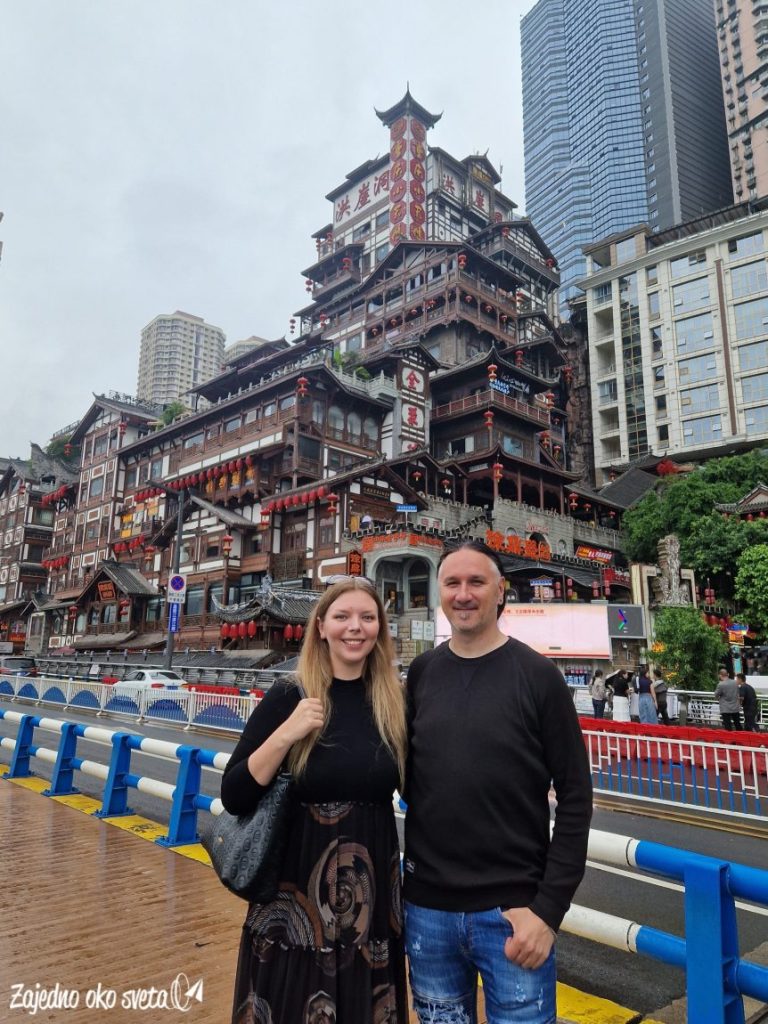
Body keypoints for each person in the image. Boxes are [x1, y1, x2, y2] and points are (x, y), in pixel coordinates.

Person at [403, 540, 593, 1024]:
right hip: (428, 912)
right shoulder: (422, 673)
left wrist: (547, 912)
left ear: (501, 592)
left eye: (477, 582)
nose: (463, 594)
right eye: (452, 583)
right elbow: (409, 777)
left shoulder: (538, 676)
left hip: (514, 916)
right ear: (440, 591)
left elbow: (575, 795)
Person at [220, 578, 408, 1024]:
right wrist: (286, 734)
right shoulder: (291, 694)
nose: (355, 627)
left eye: (367, 617)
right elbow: (235, 793)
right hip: (296, 893)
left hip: (371, 892)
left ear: (379, 629)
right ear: (321, 627)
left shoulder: (394, 702)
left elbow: (421, 787)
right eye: (342, 616)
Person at [715, 667, 742, 731]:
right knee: (737, 724)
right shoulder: (735, 682)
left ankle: (730, 737)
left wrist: (719, 698)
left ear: (720, 675)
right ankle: (741, 736)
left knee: (727, 725)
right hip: (735, 707)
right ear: (728, 674)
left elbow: (716, 695)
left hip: (725, 708)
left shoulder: (721, 684)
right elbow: (738, 692)